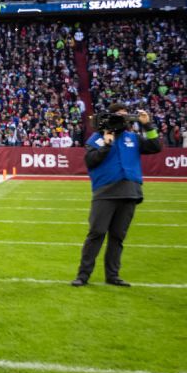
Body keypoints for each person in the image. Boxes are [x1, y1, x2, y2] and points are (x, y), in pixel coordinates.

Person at [71, 103, 162, 287]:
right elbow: (90, 161)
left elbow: (155, 146)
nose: (123, 119)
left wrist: (147, 125)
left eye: (126, 116)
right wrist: (106, 143)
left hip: (129, 191)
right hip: (105, 192)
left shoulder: (133, 138)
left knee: (118, 236)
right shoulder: (96, 138)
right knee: (96, 233)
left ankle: (112, 275)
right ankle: (83, 275)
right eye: (119, 116)